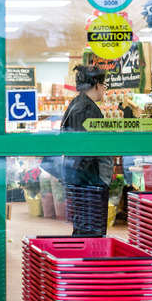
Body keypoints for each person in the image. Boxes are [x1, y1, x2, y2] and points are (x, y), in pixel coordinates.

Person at [60, 64, 114, 235]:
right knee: (91, 229)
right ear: (97, 84)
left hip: (79, 176)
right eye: (104, 85)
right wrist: (100, 181)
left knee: (83, 224)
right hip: (90, 179)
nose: (104, 89)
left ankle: (80, 258)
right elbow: (89, 147)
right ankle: (87, 260)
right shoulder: (89, 108)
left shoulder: (76, 103)